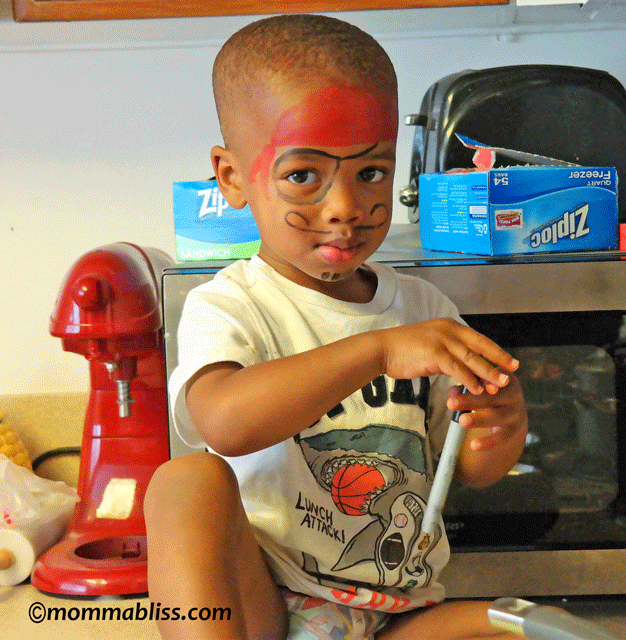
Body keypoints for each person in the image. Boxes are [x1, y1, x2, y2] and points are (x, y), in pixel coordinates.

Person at [143, 14, 529, 640]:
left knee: (534, 629)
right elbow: (223, 423)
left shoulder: (425, 310)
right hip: (267, 600)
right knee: (185, 482)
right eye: (303, 176)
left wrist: (497, 430)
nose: (347, 206)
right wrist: (377, 350)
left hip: (399, 608)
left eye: (371, 172)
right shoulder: (232, 304)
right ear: (233, 178)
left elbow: (469, 468)